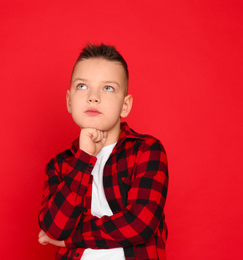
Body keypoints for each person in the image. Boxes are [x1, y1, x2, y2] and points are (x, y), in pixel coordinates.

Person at [38, 43, 169, 260]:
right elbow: (54, 229)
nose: (93, 97)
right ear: (69, 101)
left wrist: (71, 238)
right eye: (82, 86)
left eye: (107, 88)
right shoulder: (60, 164)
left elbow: (139, 224)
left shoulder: (146, 150)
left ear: (125, 105)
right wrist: (83, 159)